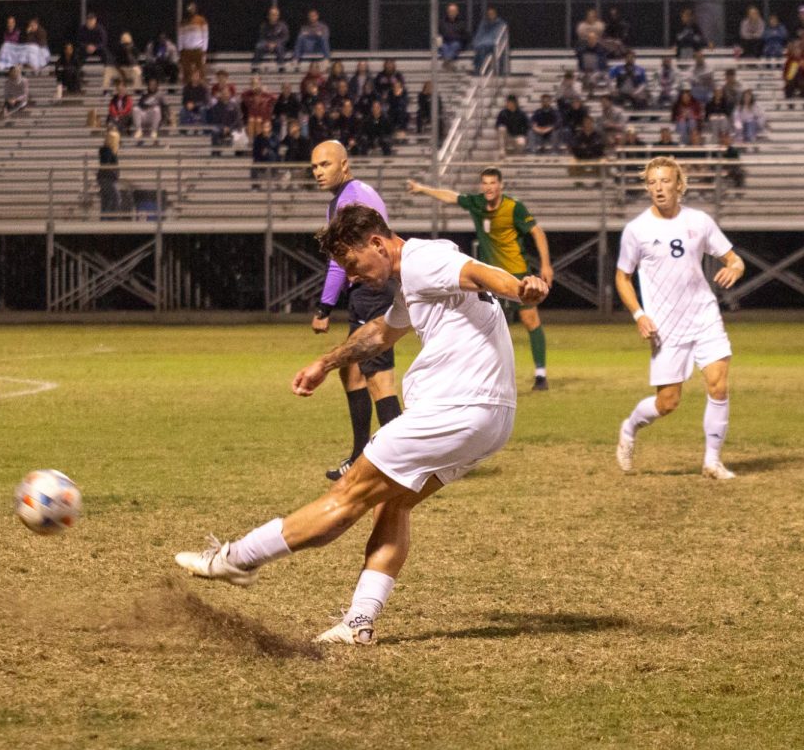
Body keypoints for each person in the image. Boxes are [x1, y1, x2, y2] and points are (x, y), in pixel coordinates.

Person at [174, 203, 549, 644]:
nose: (350, 277)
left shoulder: (426, 261)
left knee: (347, 495)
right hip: (490, 417)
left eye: (351, 263)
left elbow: (481, 274)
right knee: (393, 504)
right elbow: (380, 334)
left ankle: (237, 559)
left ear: (376, 243)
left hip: (455, 409)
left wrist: (520, 290)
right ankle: (358, 623)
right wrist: (327, 363)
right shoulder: (416, 277)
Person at [615, 156, 745, 481]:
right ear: (647, 187)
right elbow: (622, 277)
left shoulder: (699, 221)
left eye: (665, 181)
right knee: (668, 402)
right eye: (652, 182)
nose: (659, 188)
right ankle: (629, 427)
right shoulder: (637, 230)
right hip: (665, 327)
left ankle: (712, 462)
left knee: (718, 384)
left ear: (679, 185)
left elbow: (734, 259)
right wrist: (638, 314)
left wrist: (735, 268)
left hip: (704, 316)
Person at [407, 168, 555, 391]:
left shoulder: (513, 207)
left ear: (501, 185)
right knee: (486, 324)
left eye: (493, 183)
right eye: (485, 183)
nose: (488, 187)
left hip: (516, 272)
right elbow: (451, 196)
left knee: (530, 319)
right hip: (490, 275)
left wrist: (545, 264)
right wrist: (422, 189)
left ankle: (541, 375)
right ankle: (484, 376)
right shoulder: (477, 203)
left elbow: (538, 232)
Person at [309, 142, 402, 481]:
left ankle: (402, 460)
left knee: (378, 378)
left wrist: (324, 306)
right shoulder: (348, 196)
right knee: (350, 371)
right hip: (368, 288)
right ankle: (362, 454)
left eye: (325, 164)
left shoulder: (351, 198)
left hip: (372, 288)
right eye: (314, 167)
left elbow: (341, 260)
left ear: (344, 166)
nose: (318, 172)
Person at [177, 2, 209, 84]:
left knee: (200, 69)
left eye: (192, 9)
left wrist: (204, 49)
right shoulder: (183, 22)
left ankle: (201, 86)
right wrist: (180, 49)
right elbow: (180, 36)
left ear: (195, 9)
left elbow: (205, 36)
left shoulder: (201, 20)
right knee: (186, 70)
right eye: (189, 9)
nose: (191, 11)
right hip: (186, 50)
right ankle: (187, 86)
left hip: (197, 49)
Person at [253, 6, 290, 71]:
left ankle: (281, 68)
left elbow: (285, 38)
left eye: (276, 15)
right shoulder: (264, 26)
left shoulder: (283, 26)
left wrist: (275, 44)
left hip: (278, 45)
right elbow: (261, 38)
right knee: (258, 46)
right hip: (266, 45)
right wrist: (268, 44)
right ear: (268, 15)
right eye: (272, 15)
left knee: (279, 48)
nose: (274, 16)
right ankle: (255, 67)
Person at [472, 7, 507, 73]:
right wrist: (475, 44)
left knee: (484, 47)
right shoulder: (483, 24)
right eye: (489, 14)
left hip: (494, 44)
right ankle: (481, 70)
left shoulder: (501, 24)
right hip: (483, 45)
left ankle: (485, 70)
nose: (491, 15)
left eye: (492, 13)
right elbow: (479, 35)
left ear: (496, 14)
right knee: (480, 49)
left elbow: (501, 37)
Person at [97, 128, 123, 218]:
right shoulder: (107, 151)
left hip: (106, 177)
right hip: (107, 178)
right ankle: (112, 218)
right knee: (116, 198)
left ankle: (105, 218)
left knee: (106, 199)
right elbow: (106, 164)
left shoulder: (108, 151)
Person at [251, 119, 279, 188]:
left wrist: (268, 139)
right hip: (261, 159)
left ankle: (275, 182)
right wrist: (261, 153)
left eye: (267, 127)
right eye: (264, 127)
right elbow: (255, 151)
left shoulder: (274, 137)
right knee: (254, 166)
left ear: (270, 127)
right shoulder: (258, 137)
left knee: (271, 154)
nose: (265, 129)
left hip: (272, 159)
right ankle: (255, 186)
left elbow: (276, 147)